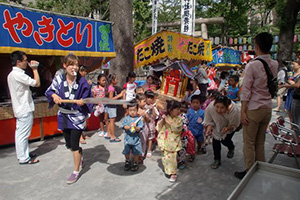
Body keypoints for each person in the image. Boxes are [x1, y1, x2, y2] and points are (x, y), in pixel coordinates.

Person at [235, 32, 278, 179]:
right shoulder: (275, 64)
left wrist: (243, 112)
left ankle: (249, 172)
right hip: (267, 108)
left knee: (249, 142)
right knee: (260, 142)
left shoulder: (252, 65)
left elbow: (246, 91)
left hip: (254, 108)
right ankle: (261, 170)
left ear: (257, 46)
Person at [45, 53, 93, 184]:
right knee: (69, 145)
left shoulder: (82, 81)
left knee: (74, 144)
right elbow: (50, 91)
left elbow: (88, 98)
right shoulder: (59, 79)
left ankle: (76, 171)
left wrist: (83, 101)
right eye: (71, 64)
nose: (75, 67)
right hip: (64, 115)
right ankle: (79, 153)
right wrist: (54, 96)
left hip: (77, 116)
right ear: (65, 65)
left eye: (77, 65)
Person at [7, 51, 40, 165]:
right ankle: (24, 158)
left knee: (21, 133)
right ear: (18, 62)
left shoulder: (12, 74)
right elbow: (36, 83)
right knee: (23, 134)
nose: (27, 62)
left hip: (20, 107)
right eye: (25, 60)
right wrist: (35, 69)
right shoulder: (18, 74)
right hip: (24, 108)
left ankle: (23, 154)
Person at [204, 95, 241, 169]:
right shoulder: (211, 107)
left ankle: (231, 147)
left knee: (225, 140)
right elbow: (209, 119)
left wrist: (227, 128)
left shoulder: (234, 111)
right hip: (217, 126)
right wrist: (209, 128)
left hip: (229, 127)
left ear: (227, 107)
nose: (218, 110)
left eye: (222, 108)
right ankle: (217, 159)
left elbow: (234, 124)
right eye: (217, 107)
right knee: (216, 142)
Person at [156, 100, 182, 183]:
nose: (179, 111)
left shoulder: (178, 119)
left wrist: (169, 122)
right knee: (165, 157)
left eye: (179, 109)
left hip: (173, 142)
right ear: (170, 110)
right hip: (165, 140)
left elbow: (178, 129)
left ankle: (173, 173)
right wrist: (163, 121)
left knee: (172, 158)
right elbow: (159, 127)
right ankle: (168, 171)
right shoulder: (165, 117)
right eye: (177, 109)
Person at [122, 103, 144, 172]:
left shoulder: (139, 119)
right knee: (126, 151)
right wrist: (128, 127)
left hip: (136, 139)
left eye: (134, 110)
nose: (132, 112)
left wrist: (135, 127)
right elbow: (124, 126)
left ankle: (135, 163)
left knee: (136, 152)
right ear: (128, 110)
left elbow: (140, 128)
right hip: (128, 139)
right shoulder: (126, 118)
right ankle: (127, 161)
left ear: (137, 110)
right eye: (130, 110)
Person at [106, 74, 125, 142]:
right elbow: (111, 99)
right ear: (112, 80)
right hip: (112, 106)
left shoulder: (109, 87)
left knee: (110, 120)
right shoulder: (111, 88)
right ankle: (113, 136)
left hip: (110, 106)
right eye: (116, 79)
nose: (117, 80)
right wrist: (120, 95)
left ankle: (109, 134)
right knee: (112, 121)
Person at [282, 60, 300, 127]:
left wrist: (286, 85)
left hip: (296, 95)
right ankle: (292, 127)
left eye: (294, 64)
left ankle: (295, 130)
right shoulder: (292, 73)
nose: (292, 66)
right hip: (291, 93)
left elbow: (297, 85)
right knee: (289, 110)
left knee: (295, 115)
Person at [144, 90, 159, 158]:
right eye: (148, 98)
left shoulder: (153, 107)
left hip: (151, 124)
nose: (149, 100)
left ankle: (149, 150)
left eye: (151, 98)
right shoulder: (143, 106)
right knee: (143, 137)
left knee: (150, 138)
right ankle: (143, 149)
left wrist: (152, 109)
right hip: (144, 125)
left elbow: (155, 116)